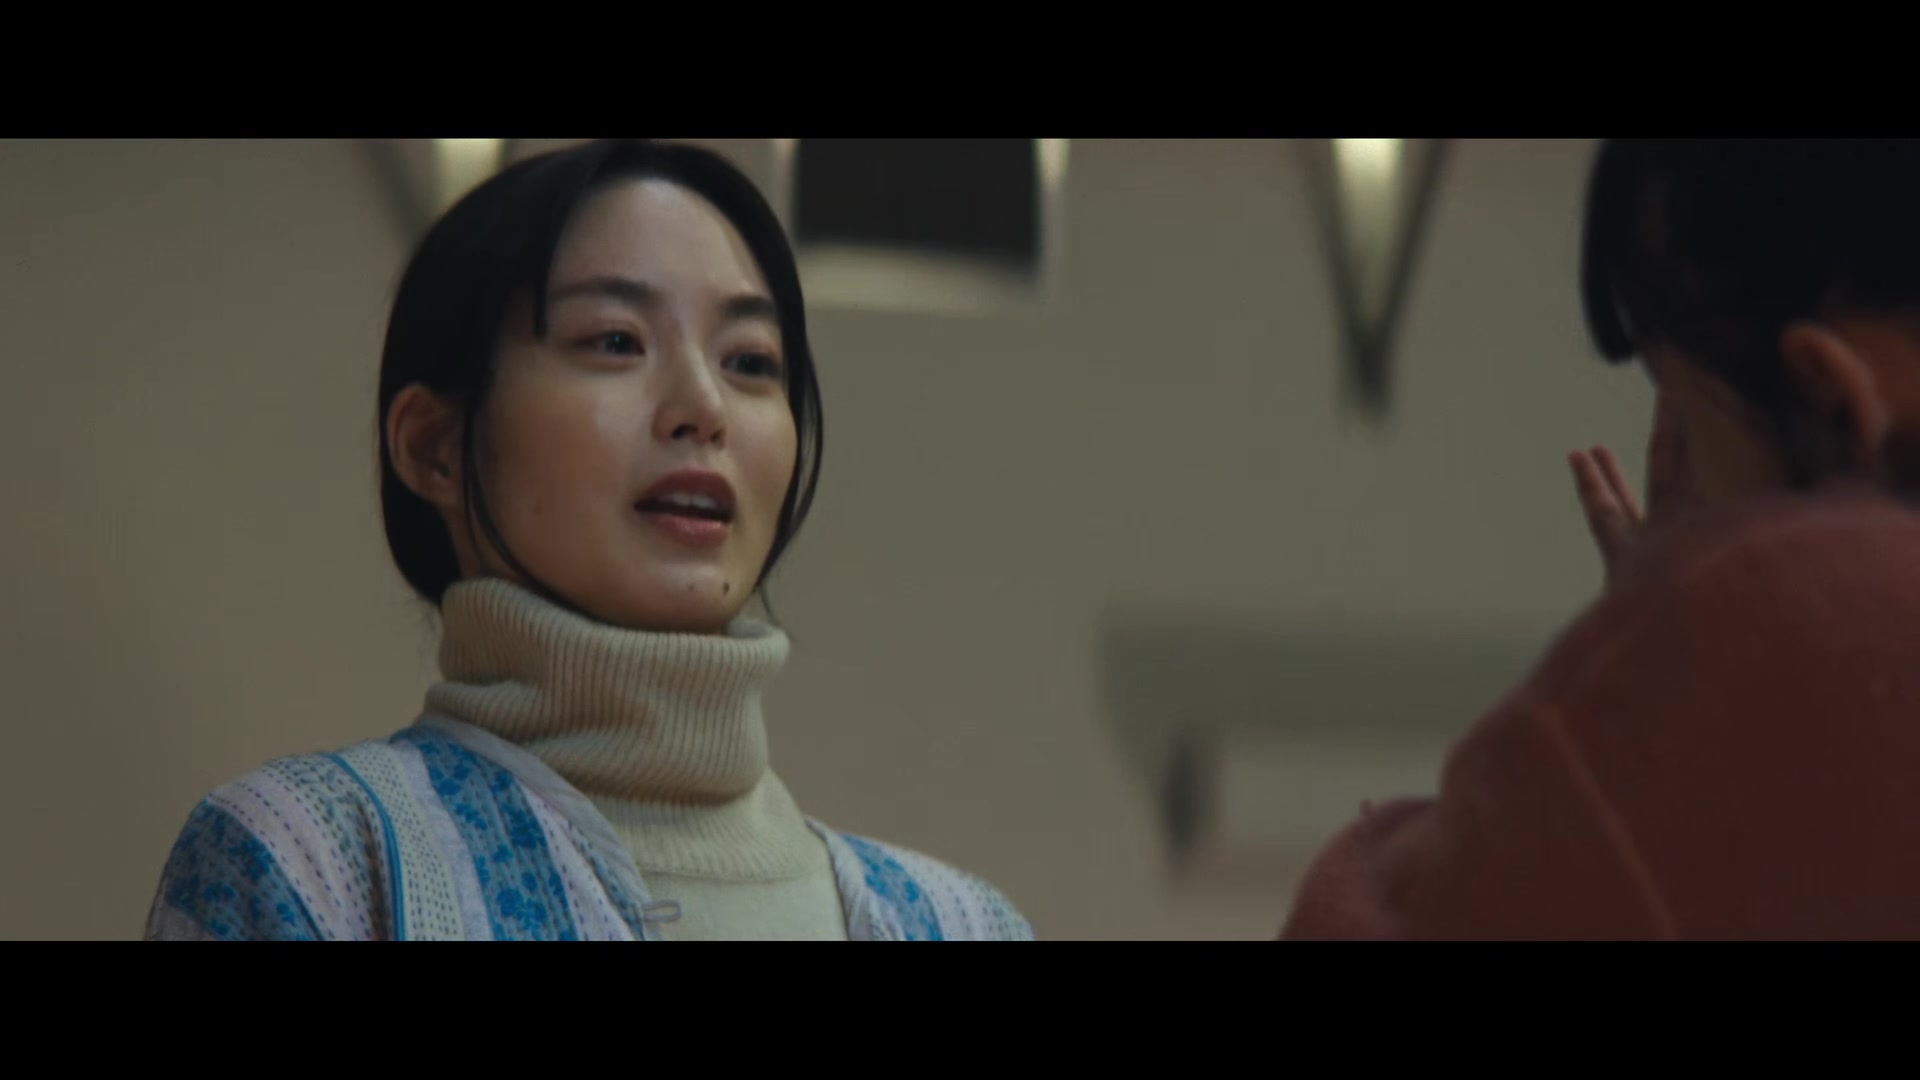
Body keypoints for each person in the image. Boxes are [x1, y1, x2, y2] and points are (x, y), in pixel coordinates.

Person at [144, 139, 1032, 941]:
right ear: (435, 447)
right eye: (615, 340)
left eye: (750, 361)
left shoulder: (964, 925)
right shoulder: (314, 865)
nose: (704, 408)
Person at [1281, 139, 1920, 939]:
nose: (1685, 511)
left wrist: (1674, 662)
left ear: (1832, 403)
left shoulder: (1828, 627)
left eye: (1687, 427)